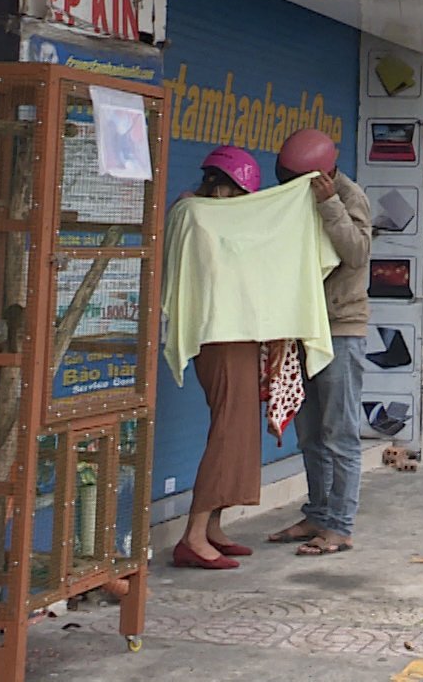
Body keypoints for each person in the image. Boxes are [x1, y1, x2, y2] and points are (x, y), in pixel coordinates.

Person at [266, 128, 372, 557]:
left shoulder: (349, 197)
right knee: (310, 431)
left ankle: (341, 526)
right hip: (302, 326)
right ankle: (318, 513)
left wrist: (329, 204)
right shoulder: (293, 195)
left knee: (339, 432)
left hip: (340, 327)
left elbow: (357, 253)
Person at [172, 145, 264, 570]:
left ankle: (212, 526)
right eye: (237, 193)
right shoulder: (194, 216)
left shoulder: (208, 216)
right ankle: (192, 534)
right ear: (220, 188)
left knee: (240, 428)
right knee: (228, 428)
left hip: (239, 330)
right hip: (219, 332)